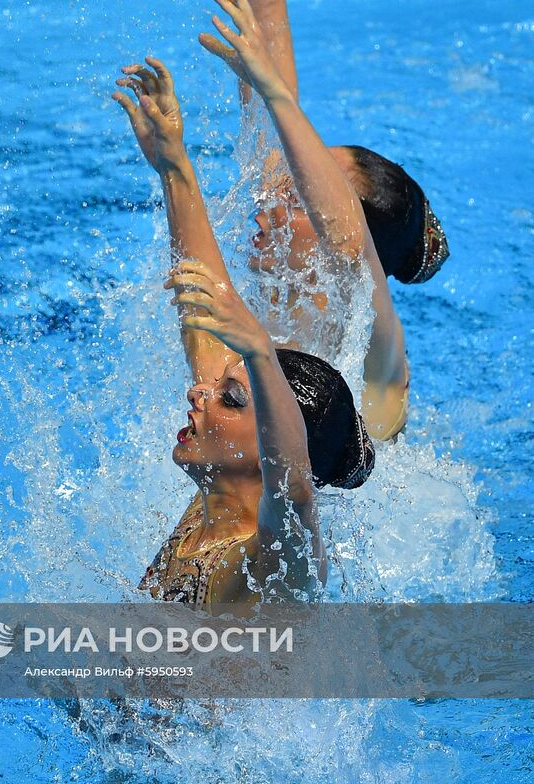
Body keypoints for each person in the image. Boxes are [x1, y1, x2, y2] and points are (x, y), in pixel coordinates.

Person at [180, 0, 449, 440]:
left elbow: (348, 237)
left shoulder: (373, 337)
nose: (273, 192)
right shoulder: (284, 288)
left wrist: (274, 92)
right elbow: (276, 121)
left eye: (301, 187)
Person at [112, 58, 374, 613]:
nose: (198, 394)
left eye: (229, 399)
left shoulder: (275, 560)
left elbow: (295, 489)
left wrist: (258, 348)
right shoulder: (211, 505)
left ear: (272, 449)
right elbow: (201, 305)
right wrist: (174, 167)